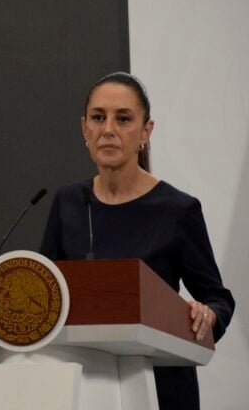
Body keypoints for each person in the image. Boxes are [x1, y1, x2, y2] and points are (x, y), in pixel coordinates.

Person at [40, 71, 235, 410]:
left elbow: (218, 299)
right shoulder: (68, 202)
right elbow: (44, 292)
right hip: (86, 386)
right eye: (98, 118)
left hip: (161, 386)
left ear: (146, 131)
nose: (108, 130)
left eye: (123, 119)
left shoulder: (178, 209)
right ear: (84, 129)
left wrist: (208, 315)